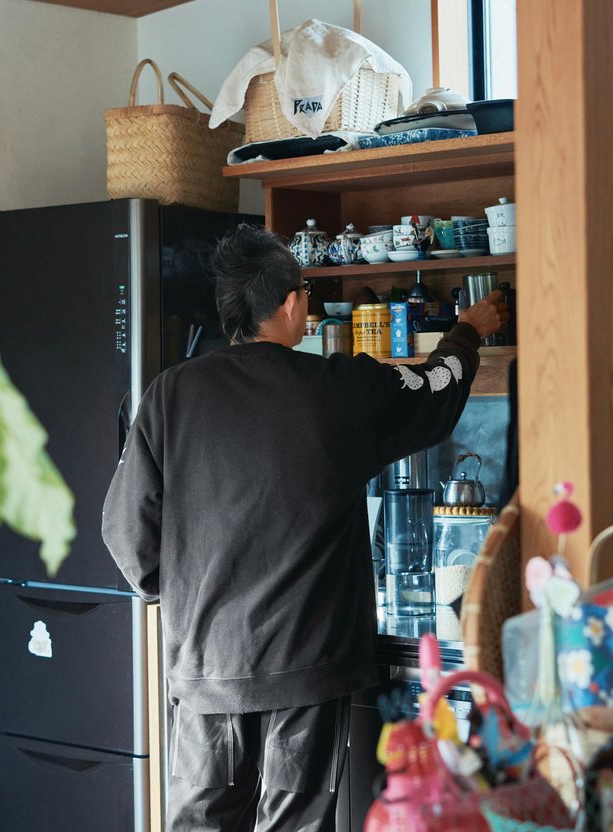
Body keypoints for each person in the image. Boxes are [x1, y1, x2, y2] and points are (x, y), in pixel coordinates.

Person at [102, 224, 507, 832]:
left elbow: (124, 529)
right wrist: (468, 330)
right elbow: (433, 391)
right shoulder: (338, 388)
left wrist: (182, 592)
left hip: (208, 664)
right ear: (292, 303)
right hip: (308, 665)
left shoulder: (169, 395)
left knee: (200, 824)